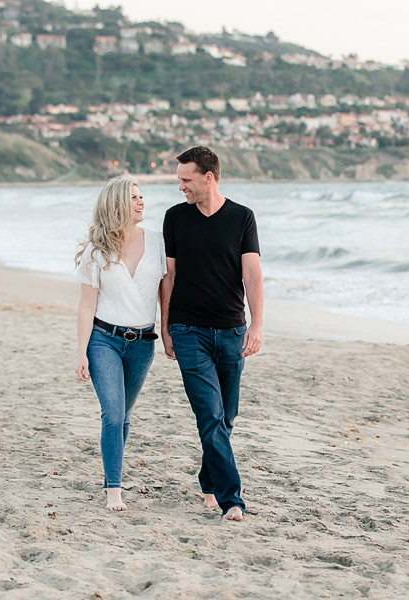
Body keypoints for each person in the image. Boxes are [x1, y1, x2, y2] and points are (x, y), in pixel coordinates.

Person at [160, 146, 263, 522]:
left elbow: (251, 274)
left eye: (186, 180)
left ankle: (208, 480)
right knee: (209, 413)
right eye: (179, 180)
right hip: (188, 330)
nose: (181, 187)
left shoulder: (242, 218)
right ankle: (231, 498)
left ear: (209, 177)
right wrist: (166, 326)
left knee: (226, 416)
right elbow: (168, 277)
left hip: (232, 329)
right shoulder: (175, 218)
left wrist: (257, 324)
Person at [75, 173, 166, 511]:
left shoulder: (158, 242)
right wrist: (82, 351)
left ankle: (110, 473)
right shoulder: (97, 251)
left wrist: (168, 334)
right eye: (133, 197)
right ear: (116, 204)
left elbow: (165, 293)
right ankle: (114, 488)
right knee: (112, 414)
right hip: (104, 340)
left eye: (141, 196)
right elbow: (86, 305)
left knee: (125, 416)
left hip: (143, 343)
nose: (141, 202)